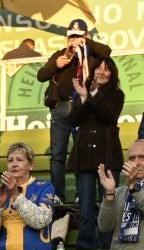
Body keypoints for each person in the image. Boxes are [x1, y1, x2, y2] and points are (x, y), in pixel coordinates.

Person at [35, 18, 112, 203]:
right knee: (57, 154)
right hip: (61, 106)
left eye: (77, 36)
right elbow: (41, 75)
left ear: (85, 36)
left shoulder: (92, 54)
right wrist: (56, 65)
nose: (73, 40)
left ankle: (81, 194)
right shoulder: (60, 55)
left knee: (82, 152)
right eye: (71, 36)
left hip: (84, 107)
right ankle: (57, 195)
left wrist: (86, 43)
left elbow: (107, 52)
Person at [69, 57, 125, 250]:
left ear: (112, 73)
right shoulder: (82, 93)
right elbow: (73, 119)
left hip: (108, 156)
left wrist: (92, 94)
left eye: (106, 69)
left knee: (108, 204)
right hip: (84, 157)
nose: (102, 72)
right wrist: (83, 98)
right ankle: (85, 246)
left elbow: (109, 115)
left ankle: (107, 244)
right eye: (98, 68)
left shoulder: (117, 95)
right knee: (85, 207)